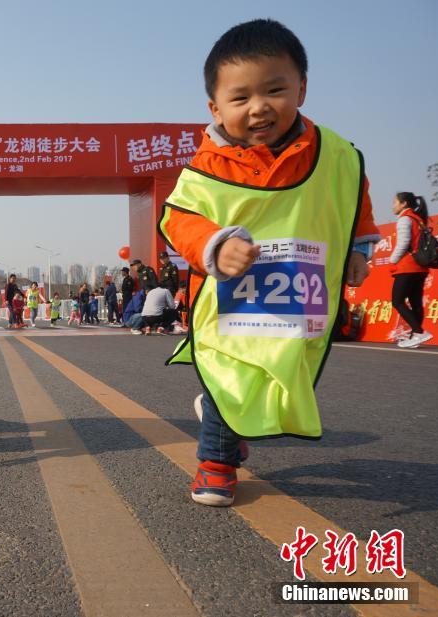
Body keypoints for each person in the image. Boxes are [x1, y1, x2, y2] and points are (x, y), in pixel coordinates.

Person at [159, 19, 379, 507]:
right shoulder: (206, 168)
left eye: (274, 90)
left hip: (297, 301)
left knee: (272, 379)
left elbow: (351, 205)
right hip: (229, 303)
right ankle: (216, 463)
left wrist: (358, 252)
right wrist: (215, 245)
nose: (258, 107)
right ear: (216, 108)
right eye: (240, 98)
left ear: (301, 88)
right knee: (231, 377)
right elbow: (178, 220)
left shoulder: (338, 156)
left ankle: (227, 427)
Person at [389, 192, 433, 348]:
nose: (392, 206)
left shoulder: (405, 219)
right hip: (421, 267)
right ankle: (415, 336)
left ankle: (419, 332)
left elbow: (403, 243)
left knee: (397, 301)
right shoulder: (418, 219)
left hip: (407, 266)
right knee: (416, 303)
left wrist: (392, 261)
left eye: (395, 203)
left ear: (404, 204)